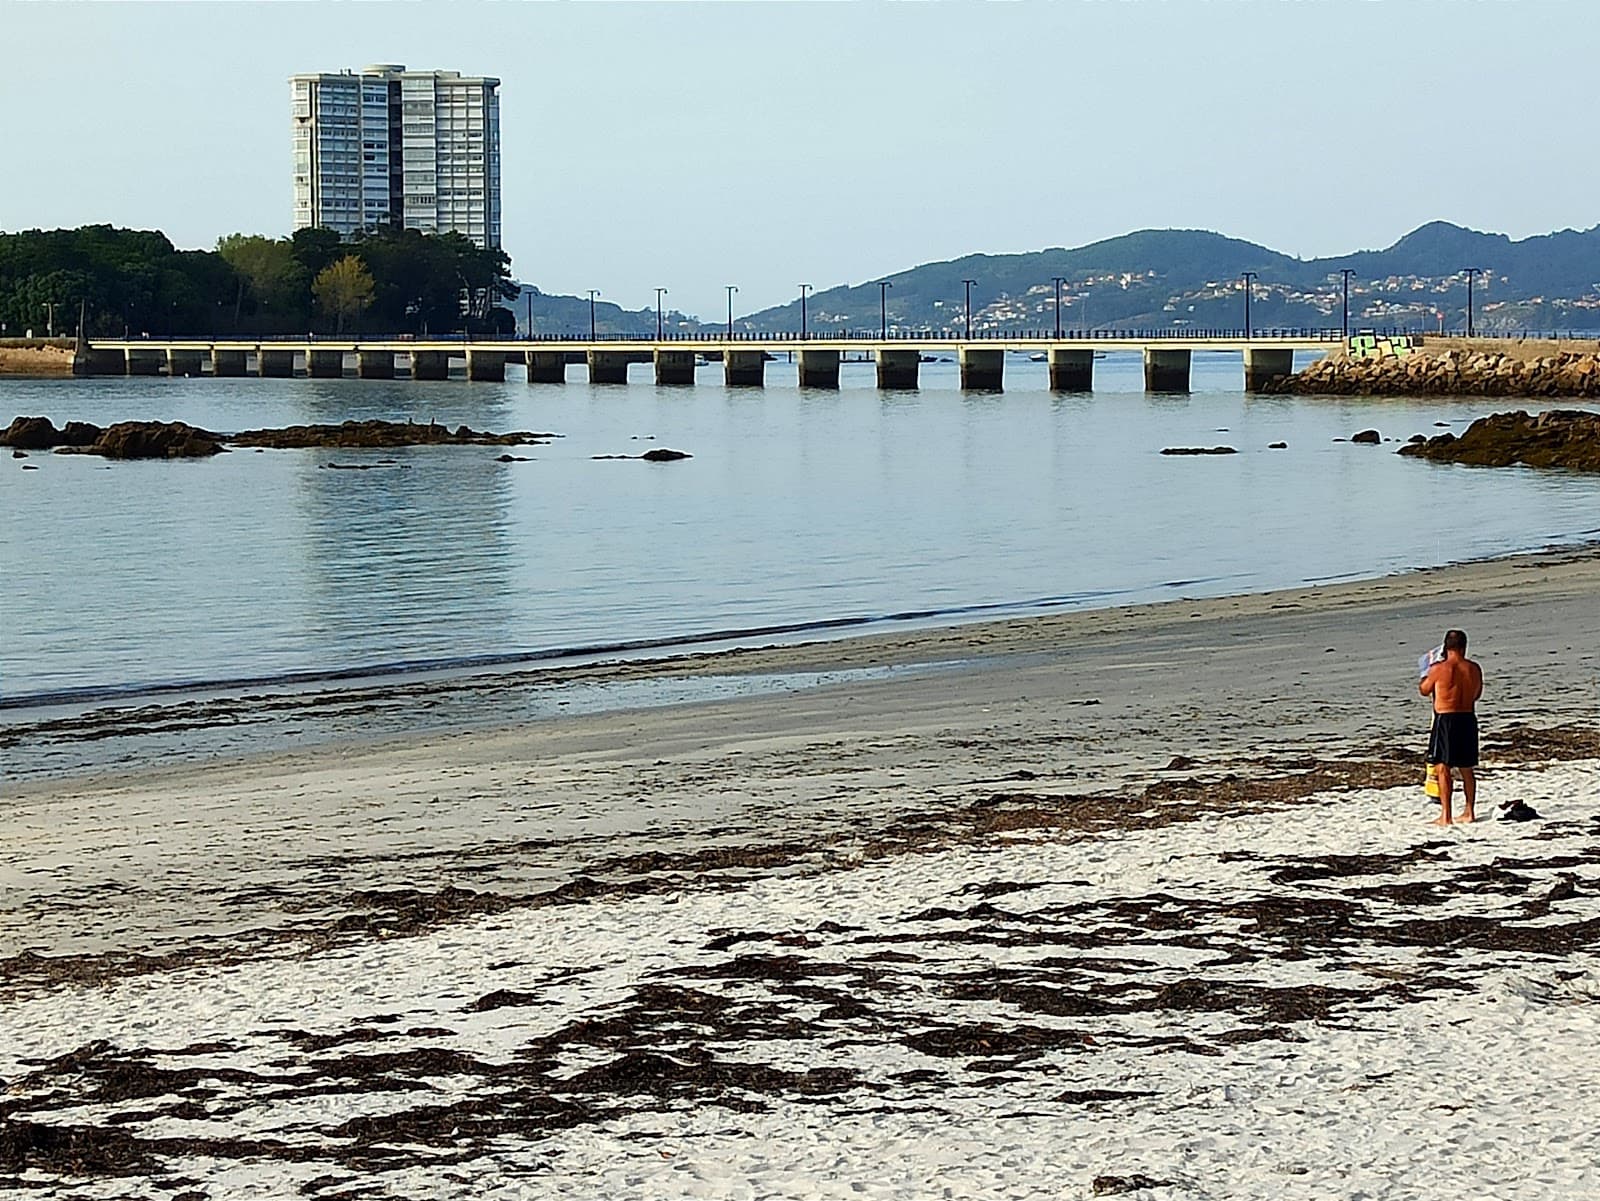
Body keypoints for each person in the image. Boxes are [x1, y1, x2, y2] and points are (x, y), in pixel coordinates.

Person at [1419, 629, 1484, 825]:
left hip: (1446, 719)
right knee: (1466, 767)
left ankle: (1446, 815)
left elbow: (1424, 690)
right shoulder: (1473, 668)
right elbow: (1477, 694)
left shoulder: (1439, 668)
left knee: (1443, 767)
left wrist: (1425, 675)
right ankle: (1469, 811)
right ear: (1464, 647)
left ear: (1446, 647)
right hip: (1467, 717)